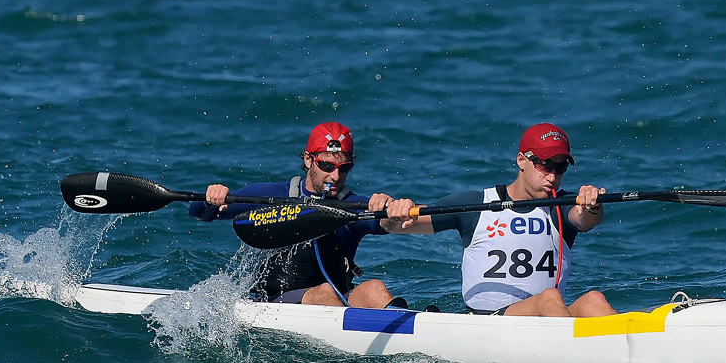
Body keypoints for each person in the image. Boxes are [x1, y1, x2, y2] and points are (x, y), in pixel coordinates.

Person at [383, 123, 616, 317]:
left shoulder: (562, 206)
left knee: (593, 301)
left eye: (560, 167)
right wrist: (398, 212)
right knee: (549, 298)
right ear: (521, 160)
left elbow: (586, 219)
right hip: (490, 322)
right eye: (544, 165)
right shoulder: (476, 204)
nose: (553, 176)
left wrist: (592, 205)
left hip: (547, 315)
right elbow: (401, 225)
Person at [192, 121, 405, 309]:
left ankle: (405, 323)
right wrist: (211, 199)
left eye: (344, 167)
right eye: (327, 166)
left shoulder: (351, 205)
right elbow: (199, 214)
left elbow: (387, 225)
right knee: (323, 293)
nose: (335, 175)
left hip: (338, 298)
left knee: (374, 288)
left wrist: (395, 212)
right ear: (308, 160)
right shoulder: (271, 195)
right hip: (274, 301)